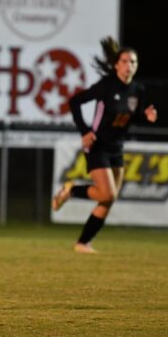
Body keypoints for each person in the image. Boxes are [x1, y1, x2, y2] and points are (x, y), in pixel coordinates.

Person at [52, 37, 158, 254]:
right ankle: (71, 190)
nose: (130, 66)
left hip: (117, 148)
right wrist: (85, 131)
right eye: (126, 61)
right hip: (97, 146)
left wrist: (146, 116)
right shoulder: (106, 86)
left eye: (134, 62)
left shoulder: (138, 89)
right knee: (107, 194)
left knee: (108, 200)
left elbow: (133, 116)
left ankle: (83, 243)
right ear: (117, 64)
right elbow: (75, 102)